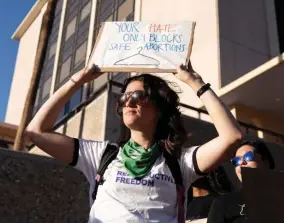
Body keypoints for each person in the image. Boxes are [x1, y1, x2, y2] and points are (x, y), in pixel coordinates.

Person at [24, 63, 242, 223]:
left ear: (159, 107)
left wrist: (196, 83)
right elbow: (36, 132)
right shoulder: (100, 154)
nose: (129, 101)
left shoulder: (180, 161)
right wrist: (76, 82)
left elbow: (232, 137)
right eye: (124, 97)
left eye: (138, 95)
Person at [207, 140, 275, 223]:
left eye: (248, 156)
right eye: (236, 160)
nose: (242, 163)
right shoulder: (223, 203)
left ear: (266, 163)